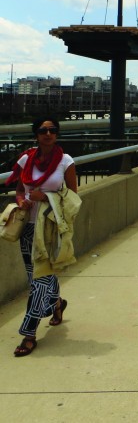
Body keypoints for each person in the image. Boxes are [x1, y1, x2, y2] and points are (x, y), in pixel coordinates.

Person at [6, 117, 79, 357]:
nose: (48, 134)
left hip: (50, 229)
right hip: (27, 227)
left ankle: (29, 333)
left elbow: (71, 197)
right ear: (36, 134)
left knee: (39, 281)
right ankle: (57, 304)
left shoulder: (66, 162)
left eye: (52, 130)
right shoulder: (26, 160)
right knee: (37, 277)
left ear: (57, 134)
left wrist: (44, 197)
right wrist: (21, 200)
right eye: (43, 130)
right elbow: (18, 190)